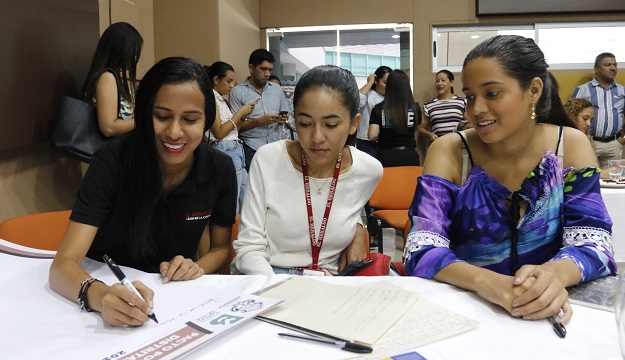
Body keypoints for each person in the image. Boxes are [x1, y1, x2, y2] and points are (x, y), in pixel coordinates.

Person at [404, 35, 616, 326]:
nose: (476, 109)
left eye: (492, 93)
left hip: (549, 314)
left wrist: (553, 275)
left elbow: (594, 241)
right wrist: (487, 282)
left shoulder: (570, 146)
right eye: (469, 96)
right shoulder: (451, 151)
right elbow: (421, 248)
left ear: (534, 90)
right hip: (464, 315)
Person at [49, 57, 238, 327]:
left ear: (207, 120)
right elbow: (62, 265)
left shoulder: (220, 169)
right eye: (161, 116)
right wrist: (100, 296)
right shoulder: (111, 162)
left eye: (190, 119)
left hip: (174, 302)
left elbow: (220, 248)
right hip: (108, 291)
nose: (174, 132)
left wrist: (196, 267)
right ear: (143, 114)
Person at [233, 65, 383, 276]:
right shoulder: (268, 159)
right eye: (305, 123)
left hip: (328, 284)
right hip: (267, 277)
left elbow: (345, 208)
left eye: (330, 125)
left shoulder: (368, 170)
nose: (316, 138)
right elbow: (249, 247)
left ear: (353, 124)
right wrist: (278, 290)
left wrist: (359, 228)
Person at [205, 61, 258, 212]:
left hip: (235, 149)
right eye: (228, 81)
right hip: (226, 149)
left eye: (233, 82)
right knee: (232, 202)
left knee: (248, 199)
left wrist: (243, 116)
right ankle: (231, 234)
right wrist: (240, 112)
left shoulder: (221, 99)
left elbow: (234, 130)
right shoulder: (210, 97)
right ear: (216, 80)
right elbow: (220, 133)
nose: (232, 85)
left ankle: (242, 232)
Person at [229, 49, 291, 170]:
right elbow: (234, 128)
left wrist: (282, 119)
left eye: (269, 70)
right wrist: (258, 121)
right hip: (251, 148)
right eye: (263, 69)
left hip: (276, 146)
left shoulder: (277, 89)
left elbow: (286, 115)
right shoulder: (238, 92)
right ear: (251, 68)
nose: (267, 74)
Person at [82, 22, 143, 137]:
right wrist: (144, 121)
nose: (136, 58)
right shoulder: (107, 78)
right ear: (120, 50)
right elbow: (109, 127)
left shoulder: (111, 76)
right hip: (112, 151)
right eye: (133, 52)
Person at [572, 52, 625, 168]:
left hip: (614, 144)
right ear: (596, 69)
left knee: (613, 179)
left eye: (615, 65)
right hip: (589, 142)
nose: (612, 68)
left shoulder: (622, 91)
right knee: (589, 177)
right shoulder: (583, 90)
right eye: (607, 65)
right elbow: (572, 115)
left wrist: (622, 140)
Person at [368, 69, 420, 167]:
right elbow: (416, 127)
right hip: (409, 156)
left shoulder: (379, 108)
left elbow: (372, 135)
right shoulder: (415, 108)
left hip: (386, 157)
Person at [418, 69, 467, 143]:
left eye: (443, 80)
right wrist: (429, 134)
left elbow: (470, 124)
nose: (439, 83)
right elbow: (421, 128)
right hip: (438, 146)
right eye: (437, 81)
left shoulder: (461, 102)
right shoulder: (428, 105)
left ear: (451, 83)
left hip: (458, 145)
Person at [356, 66, 392, 158]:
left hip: (386, 142)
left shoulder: (391, 98)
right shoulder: (368, 94)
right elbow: (357, 102)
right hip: (366, 141)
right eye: (385, 82)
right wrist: (369, 82)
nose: (388, 86)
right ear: (376, 81)